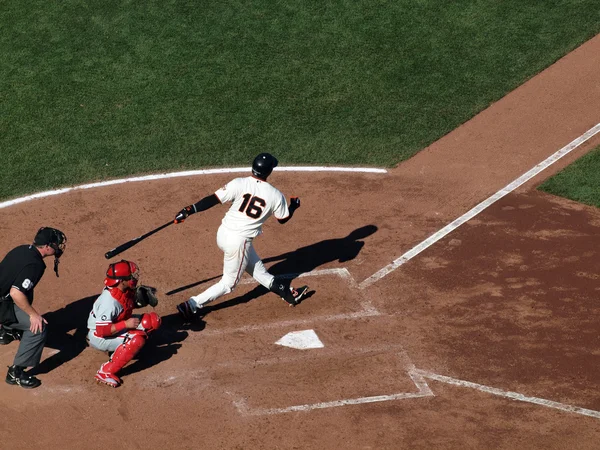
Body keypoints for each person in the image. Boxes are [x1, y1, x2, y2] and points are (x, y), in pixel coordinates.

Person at [174, 152, 309, 321]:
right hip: (239, 242)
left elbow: (213, 199)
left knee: (257, 268)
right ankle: (191, 305)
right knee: (229, 283)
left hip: (223, 233)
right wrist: (293, 206)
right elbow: (282, 219)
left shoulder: (238, 183)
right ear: (269, 172)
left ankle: (283, 290)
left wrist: (189, 210)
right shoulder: (275, 195)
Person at [0, 227, 67, 389]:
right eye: (56, 244)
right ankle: (16, 373)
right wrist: (33, 315)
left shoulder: (22, 249)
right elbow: (16, 293)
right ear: (46, 247)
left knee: (27, 295)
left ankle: (6, 331)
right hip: (3, 305)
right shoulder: (35, 265)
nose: (58, 247)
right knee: (38, 327)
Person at [87, 260, 161, 388]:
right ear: (122, 280)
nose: (134, 278)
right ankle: (105, 372)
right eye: (131, 276)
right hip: (98, 337)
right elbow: (101, 331)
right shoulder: (109, 302)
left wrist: (140, 301)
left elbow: (125, 307)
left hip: (113, 326)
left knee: (151, 321)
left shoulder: (122, 290)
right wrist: (126, 324)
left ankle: (119, 350)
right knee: (137, 340)